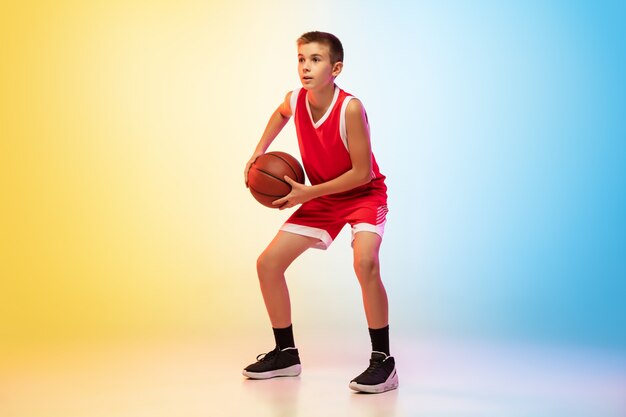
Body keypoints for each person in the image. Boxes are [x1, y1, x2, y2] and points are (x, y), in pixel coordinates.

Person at [242, 31, 398, 394]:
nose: (305, 67)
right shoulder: (295, 99)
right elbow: (280, 113)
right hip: (322, 196)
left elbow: (361, 173)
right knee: (268, 265)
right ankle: (286, 353)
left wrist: (306, 193)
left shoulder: (350, 108)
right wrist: (258, 151)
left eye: (315, 59)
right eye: (300, 59)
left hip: (363, 195)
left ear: (336, 68)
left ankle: (383, 361)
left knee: (365, 263)